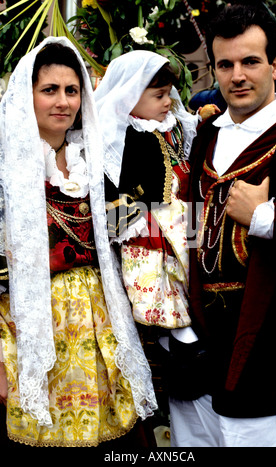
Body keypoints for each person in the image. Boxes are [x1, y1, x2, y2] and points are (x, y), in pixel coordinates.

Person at [0, 36, 157, 447]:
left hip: (100, 322)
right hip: (28, 331)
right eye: (49, 90)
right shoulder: (7, 174)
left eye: (72, 90)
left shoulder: (95, 163)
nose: (63, 102)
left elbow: (129, 227)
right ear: (27, 95)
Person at [171, 2, 276, 447]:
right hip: (198, 344)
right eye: (224, 65)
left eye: (250, 61)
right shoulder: (206, 134)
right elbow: (186, 220)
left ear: (275, 64)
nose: (236, 76)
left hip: (262, 345)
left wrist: (265, 217)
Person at [93, 51, 220, 410]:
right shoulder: (119, 135)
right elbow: (109, 188)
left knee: (193, 280)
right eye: (158, 95)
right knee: (157, 286)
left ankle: (186, 338)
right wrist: (134, 223)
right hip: (148, 231)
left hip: (186, 219)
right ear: (131, 95)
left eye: (169, 94)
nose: (167, 103)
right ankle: (177, 340)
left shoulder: (171, 126)